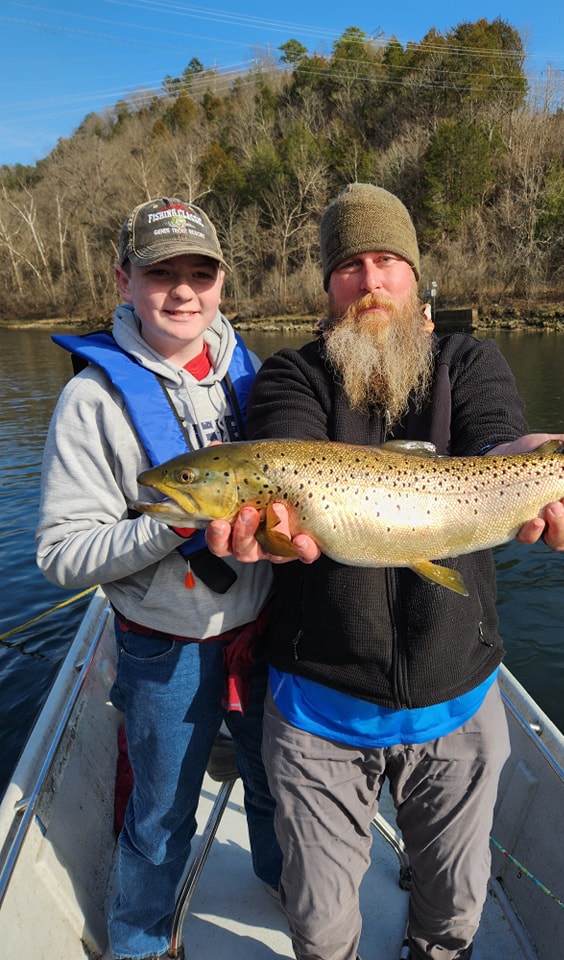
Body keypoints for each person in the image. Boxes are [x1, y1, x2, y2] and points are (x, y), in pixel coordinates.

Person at [205, 182, 564, 960]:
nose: (370, 281)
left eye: (387, 260)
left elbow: (497, 441)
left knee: (454, 916)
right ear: (328, 288)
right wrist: (271, 531)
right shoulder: (291, 377)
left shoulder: (469, 360)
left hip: (458, 704)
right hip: (319, 709)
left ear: (415, 277)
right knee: (319, 926)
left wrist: (536, 461)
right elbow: (285, 456)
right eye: (349, 266)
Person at [35, 197, 308, 960]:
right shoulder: (91, 401)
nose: (183, 292)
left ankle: (281, 881)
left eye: (200, 273)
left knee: (275, 783)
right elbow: (59, 555)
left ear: (223, 282)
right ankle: (141, 940)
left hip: (265, 631)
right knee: (160, 815)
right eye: (161, 274)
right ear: (123, 280)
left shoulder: (262, 375)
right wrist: (171, 525)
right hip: (164, 647)